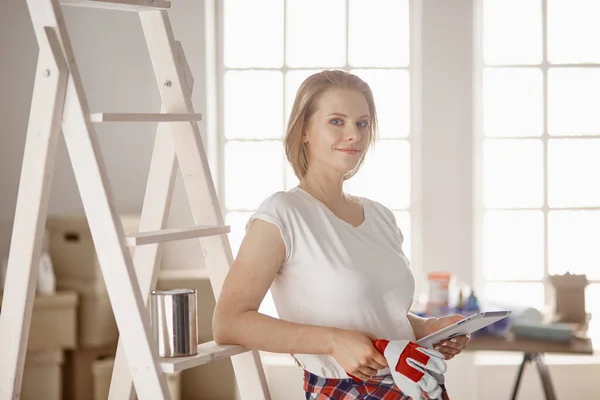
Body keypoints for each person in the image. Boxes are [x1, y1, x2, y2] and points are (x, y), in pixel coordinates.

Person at [213, 69, 470, 399]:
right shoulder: (282, 214)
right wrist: (332, 341)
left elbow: (373, 310)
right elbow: (229, 323)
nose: (355, 135)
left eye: (362, 123)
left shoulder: (380, 216)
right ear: (304, 130)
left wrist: (426, 328)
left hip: (416, 387)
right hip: (344, 392)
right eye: (337, 121)